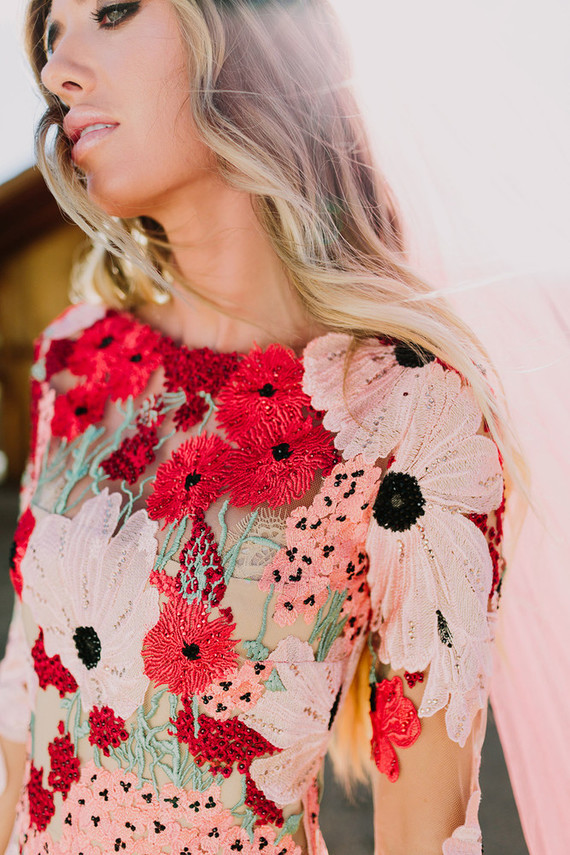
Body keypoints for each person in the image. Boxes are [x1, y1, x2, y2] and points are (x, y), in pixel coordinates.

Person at [0, 0, 528, 853]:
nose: (58, 72)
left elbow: (423, 837)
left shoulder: (410, 414)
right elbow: (19, 729)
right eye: (51, 41)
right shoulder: (76, 362)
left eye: (114, 10)